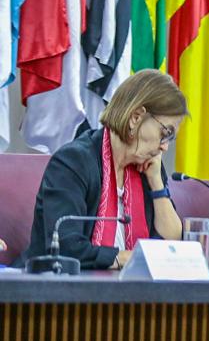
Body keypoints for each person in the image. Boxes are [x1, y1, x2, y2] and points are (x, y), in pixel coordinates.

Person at [22, 70, 187, 270]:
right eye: (165, 133)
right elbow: (67, 248)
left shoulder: (149, 167)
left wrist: (157, 184)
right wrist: (129, 258)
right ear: (136, 117)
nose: (165, 146)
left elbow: (171, 245)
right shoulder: (72, 162)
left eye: (170, 138)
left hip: (130, 286)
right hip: (63, 286)